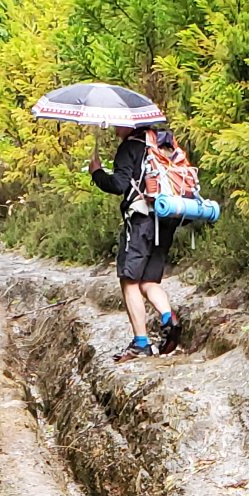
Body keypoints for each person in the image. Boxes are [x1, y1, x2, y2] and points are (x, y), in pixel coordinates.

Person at [90, 125, 181, 362]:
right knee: (149, 280)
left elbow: (119, 185)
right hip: (166, 219)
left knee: (129, 280)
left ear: (130, 124)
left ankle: (141, 342)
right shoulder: (163, 145)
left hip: (141, 221)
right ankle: (168, 317)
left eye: (117, 123)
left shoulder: (129, 147)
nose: (114, 127)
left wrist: (97, 173)